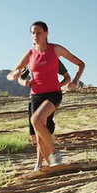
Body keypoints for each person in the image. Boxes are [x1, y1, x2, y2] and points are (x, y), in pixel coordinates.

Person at [9, 21, 85, 168]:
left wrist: (75, 81)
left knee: (36, 120)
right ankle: (47, 165)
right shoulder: (30, 54)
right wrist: (16, 77)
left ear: (46, 33)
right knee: (38, 136)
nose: (35, 36)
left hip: (53, 94)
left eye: (38, 32)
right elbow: (14, 74)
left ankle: (54, 155)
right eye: (33, 33)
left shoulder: (56, 49)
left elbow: (80, 64)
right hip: (35, 96)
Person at [18, 61, 71, 170]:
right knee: (35, 135)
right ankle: (46, 162)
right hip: (34, 98)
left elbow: (67, 78)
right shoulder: (30, 61)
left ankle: (42, 163)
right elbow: (20, 78)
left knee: (42, 131)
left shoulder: (53, 59)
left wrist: (57, 86)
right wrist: (24, 82)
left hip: (49, 97)